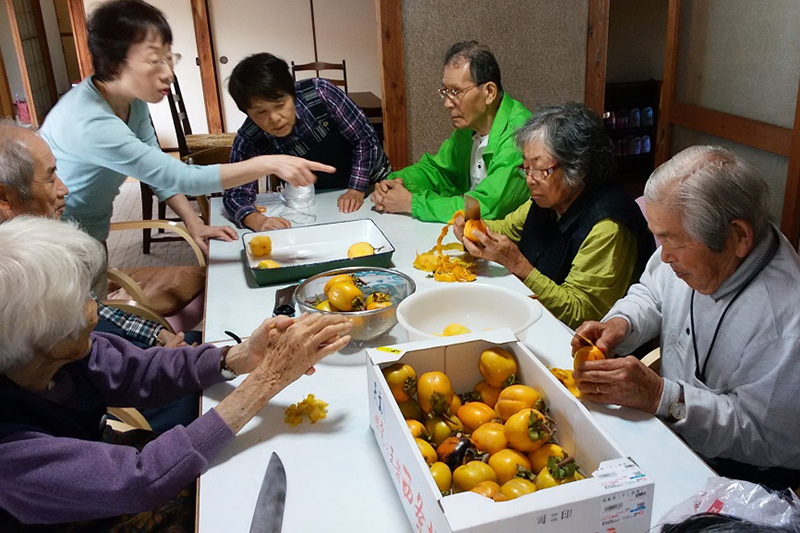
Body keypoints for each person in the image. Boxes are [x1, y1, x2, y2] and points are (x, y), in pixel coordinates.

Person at [0, 216, 352, 529]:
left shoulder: (65, 350)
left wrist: (237, 357)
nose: (95, 310)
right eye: (83, 302)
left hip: (102, 464)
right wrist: (266, 381)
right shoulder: (9, 452)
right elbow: (139, 482)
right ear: (42, 337)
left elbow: (140, 372)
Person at [572, 146, 800, 489]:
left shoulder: (785, 322)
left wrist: (661, 397)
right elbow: (651, 293)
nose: (663, 256)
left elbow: (763, 439)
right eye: (657, 236)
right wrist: (621, 324)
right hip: (670, 430)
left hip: (740, 477)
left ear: (738, 236)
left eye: (672, 241)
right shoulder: (688, 255)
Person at [40, 0, 334, 257]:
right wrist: (267, 164)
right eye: (155, 60)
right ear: (114, 63)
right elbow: (183, 178)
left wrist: (195, 224)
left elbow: (160, 172)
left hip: (91, 227)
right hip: (51, 236)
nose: (168, 72)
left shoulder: (132, 101)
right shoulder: (90, 122)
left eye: (170, 58)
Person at [454, 103, 654, 328]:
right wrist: (472, 227)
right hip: (540, 321)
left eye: (540, 170)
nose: (529, 179)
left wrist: (518, 265)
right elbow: (504, 228)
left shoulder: (607, 226)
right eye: (526, 168)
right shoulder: (547, 200)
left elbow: (581, 314)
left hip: (585, 347)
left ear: (577, 169)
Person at [0, 121, 187, 350]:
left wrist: (157, 334)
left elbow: (97, 308)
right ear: (4, 197)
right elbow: (86, 364)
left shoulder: (43, 242)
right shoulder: (15, 276)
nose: (63, 189)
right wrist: (158, 363)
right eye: (50, 180)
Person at [223, 53, 391, 227]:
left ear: (292, 94)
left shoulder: (321, 93)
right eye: (261, 112)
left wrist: (356, 189)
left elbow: (364, 138)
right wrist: (256, 220)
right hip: (315, 196)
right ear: (247, 113)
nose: (274, 118)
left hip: (370, 180)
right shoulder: (249, 137)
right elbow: (236, 194)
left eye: (280, 105)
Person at [371, 41, 530, 222]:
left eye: (456, 92)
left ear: (489, 92)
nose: (447, 103)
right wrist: (396, 183)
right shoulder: (469, 127)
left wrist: (411, 203)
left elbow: (485, 207)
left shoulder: (521, 135)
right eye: (446, 92)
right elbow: (438, 171)